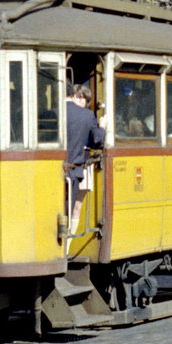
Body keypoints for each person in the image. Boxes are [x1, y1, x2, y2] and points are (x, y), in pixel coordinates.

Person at [65, 84, 105, 234]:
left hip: (59, 168)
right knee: (70, 211)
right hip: (74, 169)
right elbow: (97, 141)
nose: (83, 102)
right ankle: (66, 249)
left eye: (86, 100)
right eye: (81, 97)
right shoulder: (86, 116)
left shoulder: (51, 113)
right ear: (74, 95)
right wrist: (102, 127)